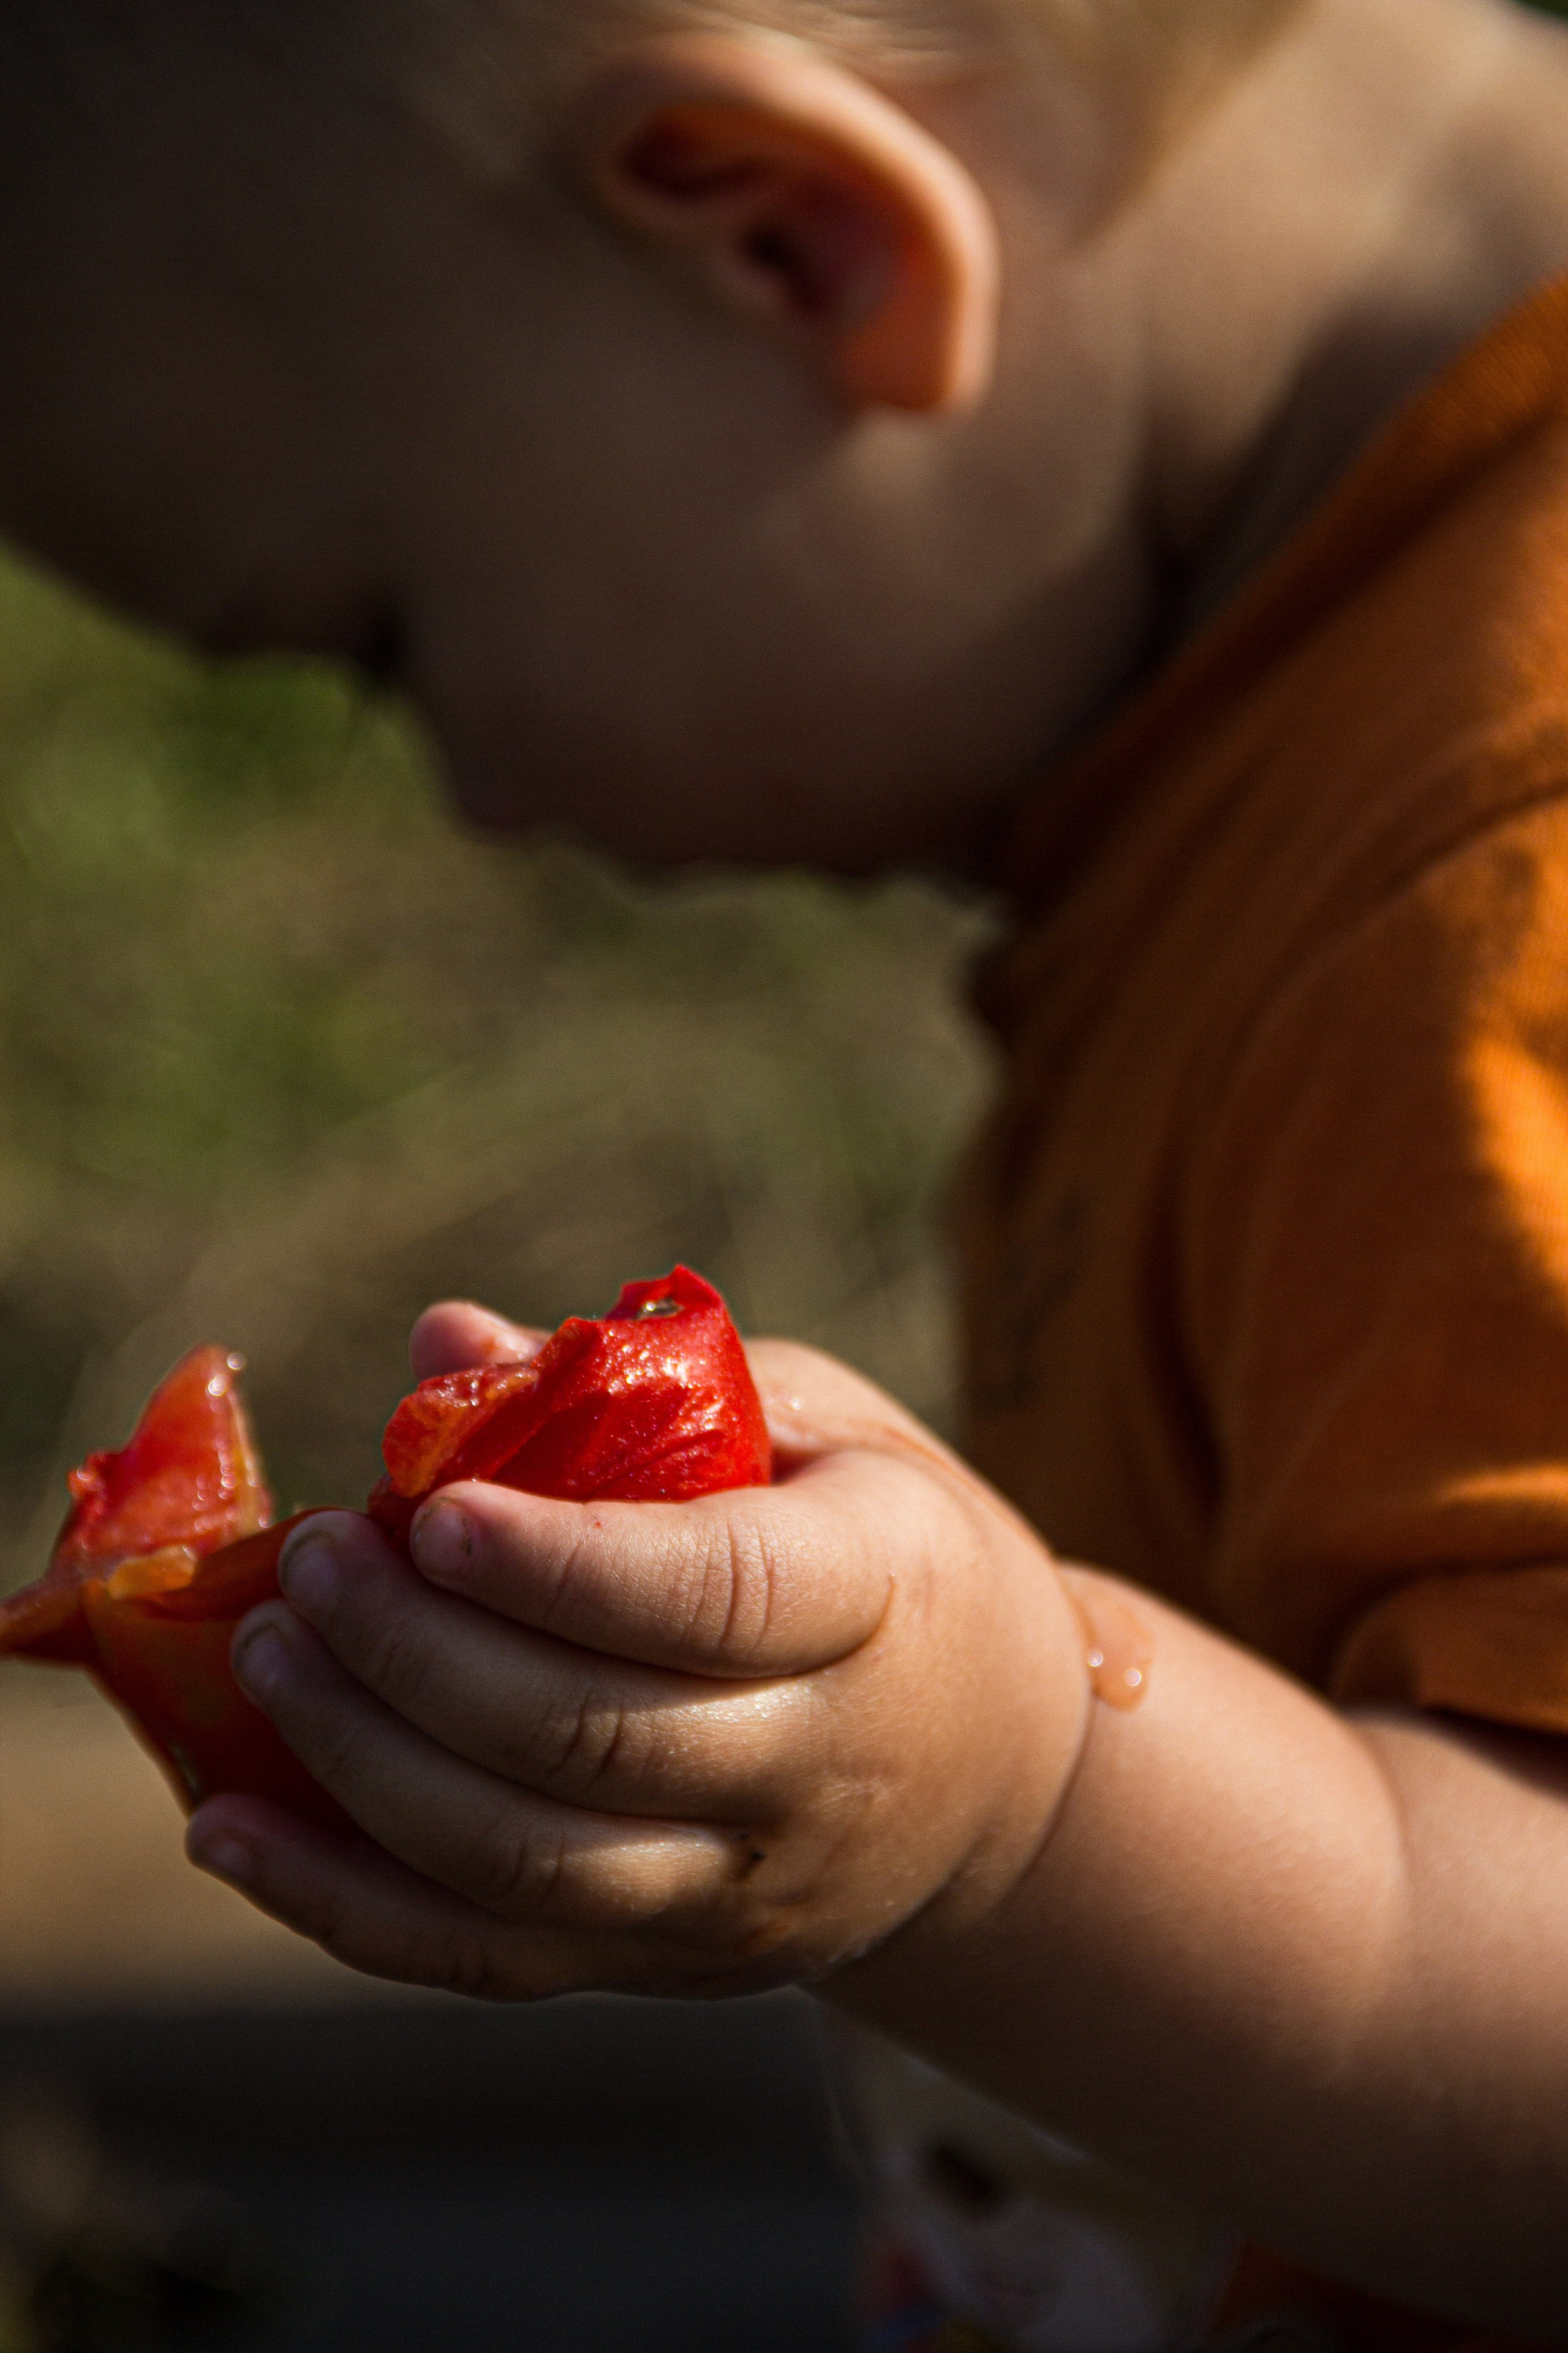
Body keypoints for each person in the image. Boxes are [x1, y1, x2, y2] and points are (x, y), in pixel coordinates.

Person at [6, 0, 1568, 2343]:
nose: (475, 804)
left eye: (386, 645)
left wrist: (1026, 1812)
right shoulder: (1284, 751)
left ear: (784, 243)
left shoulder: (1492, 882)